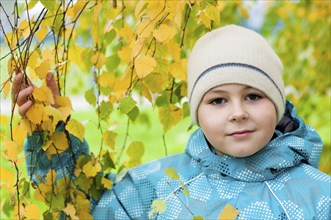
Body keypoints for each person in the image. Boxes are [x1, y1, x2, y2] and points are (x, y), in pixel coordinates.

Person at [12, 24, 330, 219]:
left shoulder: (318, 195)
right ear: (197, 112)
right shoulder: (159, 187)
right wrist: (51, 133)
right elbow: (82, 209)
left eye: (253, 96)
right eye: (218, 100)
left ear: (277, 103)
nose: (237, 112)